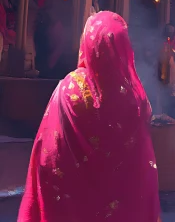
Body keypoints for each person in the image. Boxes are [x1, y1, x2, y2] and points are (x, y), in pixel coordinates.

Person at [18, 12, 160, 222]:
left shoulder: (69, 89)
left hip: (68, 208)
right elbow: (141, 167)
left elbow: (48, 152)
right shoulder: (132, 99)